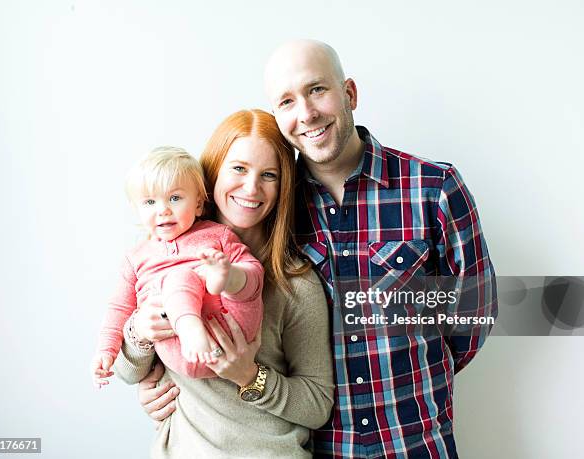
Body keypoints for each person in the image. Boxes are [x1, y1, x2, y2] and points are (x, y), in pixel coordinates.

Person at [138, 40, 498, 459]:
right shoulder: (268, 204)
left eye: (317, 90)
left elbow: (473, 316)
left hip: (414, 442)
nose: (306, 113)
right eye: (287, 101)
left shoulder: (432, 187)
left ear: (349, 94)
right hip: (320, 446)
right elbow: (189, 288)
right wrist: (159, 378)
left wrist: (419, 377)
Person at [113, 109, 335, 458]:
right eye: (238, 168)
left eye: (269, 175)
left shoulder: (296, 284)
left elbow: (317, 405)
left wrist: (249, 375)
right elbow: (127, 371)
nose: (251, 187)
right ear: (212, 173)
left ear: (283, 187)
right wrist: (140, 331)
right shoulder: (161, 255)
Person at [91, 146, 264, 387]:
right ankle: (189, 324)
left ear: (198, 204)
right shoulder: (136, 258)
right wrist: (105, 351)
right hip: (179, 348)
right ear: (137, 210)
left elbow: (254, 271)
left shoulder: (218, 236)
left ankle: (223, 280)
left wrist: (230, 275)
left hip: (231, 328)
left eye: (175, 198)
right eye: (150, 202)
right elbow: (119, 308)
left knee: (234, 273)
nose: (163, 210)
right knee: (176, 280)